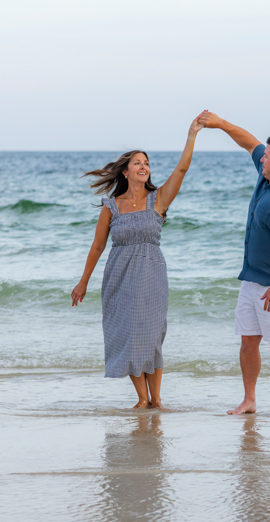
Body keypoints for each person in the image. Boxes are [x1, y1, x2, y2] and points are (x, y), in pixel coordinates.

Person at [71, 116, 205, 409]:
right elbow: (97, 246)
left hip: (152, 274)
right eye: (138, 163)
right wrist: (83, 282)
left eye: (146, 163)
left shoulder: (158, 200)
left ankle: (156, 399)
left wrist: (192, 134)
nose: (144, 166)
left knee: (151, 336)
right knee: (128, 335)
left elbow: (182, 168)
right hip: (119, 276)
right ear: (126, 171)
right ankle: (143, 399)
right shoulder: (111, 206)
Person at [198, 111, 270, 416]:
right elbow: (249, 143)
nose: (262, 159)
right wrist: (220, 124)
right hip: (252, 279)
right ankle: (249, 400)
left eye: (267, 157)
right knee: (248, 340)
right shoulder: (266, 177)